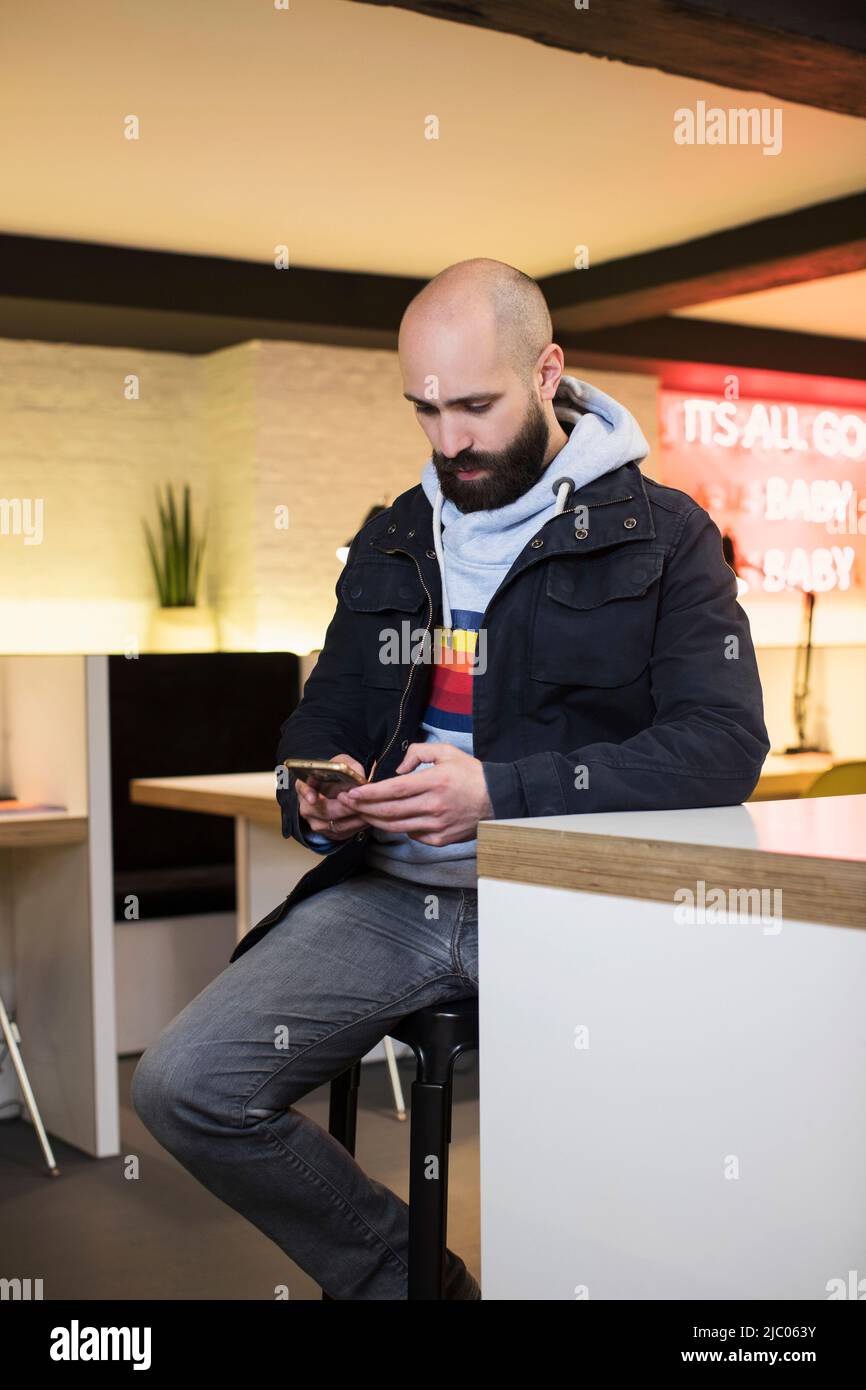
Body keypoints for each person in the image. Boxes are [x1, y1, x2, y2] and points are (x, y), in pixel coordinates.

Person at [132, 257, 770, 1300]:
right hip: (387, 896)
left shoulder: (665, 535)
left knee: (615, 1184)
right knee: (184, 1084)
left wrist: (498, 792)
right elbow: (328, 704)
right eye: (422, 409)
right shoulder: (392, 533)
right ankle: (409, 1281)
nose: (447, 441)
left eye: (472, 405)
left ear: (545, 370)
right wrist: (319, 782)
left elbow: (719, 744)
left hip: (566, 897)